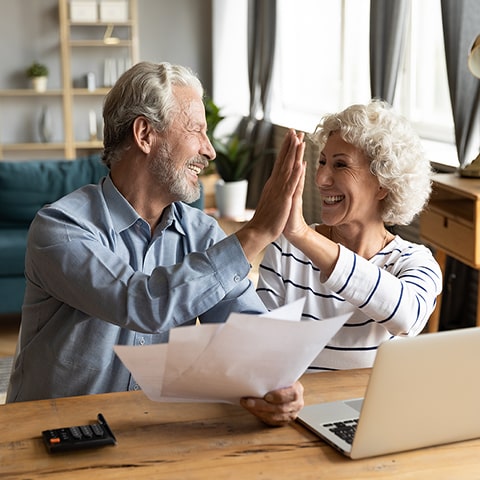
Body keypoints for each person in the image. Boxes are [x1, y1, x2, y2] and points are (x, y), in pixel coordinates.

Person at [7, 61, 306, 426]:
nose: (209, 151)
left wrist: (276, 380)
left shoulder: (202, 234)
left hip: (145, 430)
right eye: (197, 130)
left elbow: (244, 330)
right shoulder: (61, 227)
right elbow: (142, 303)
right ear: (145, 134)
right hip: (51, 434)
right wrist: (255, 233)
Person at [256, 100, 443, 371]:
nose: (321, 178)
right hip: (297, 407)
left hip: (374, 410)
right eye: (322, 162)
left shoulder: (415, 262)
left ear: (383, 184)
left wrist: (303, 235)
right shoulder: (288, 249)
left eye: (340, 165)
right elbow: (261, 347)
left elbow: (407, 317)